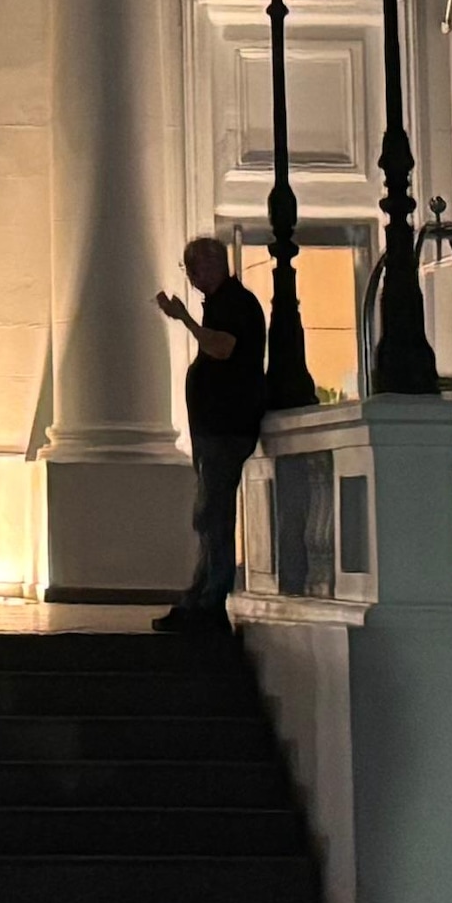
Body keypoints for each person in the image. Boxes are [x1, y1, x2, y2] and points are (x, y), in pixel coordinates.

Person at [151, 234, 273, 632]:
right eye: (188, 268)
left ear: (214, 264)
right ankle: (201, 597)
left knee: (213, 515)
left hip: (226, 428)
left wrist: (185, 320)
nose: (192, 276)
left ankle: (210, 602)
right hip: (215, 429)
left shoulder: (235, 304)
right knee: (208, 515)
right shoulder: (223, 304)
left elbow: (222, 349)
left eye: (194, 267)